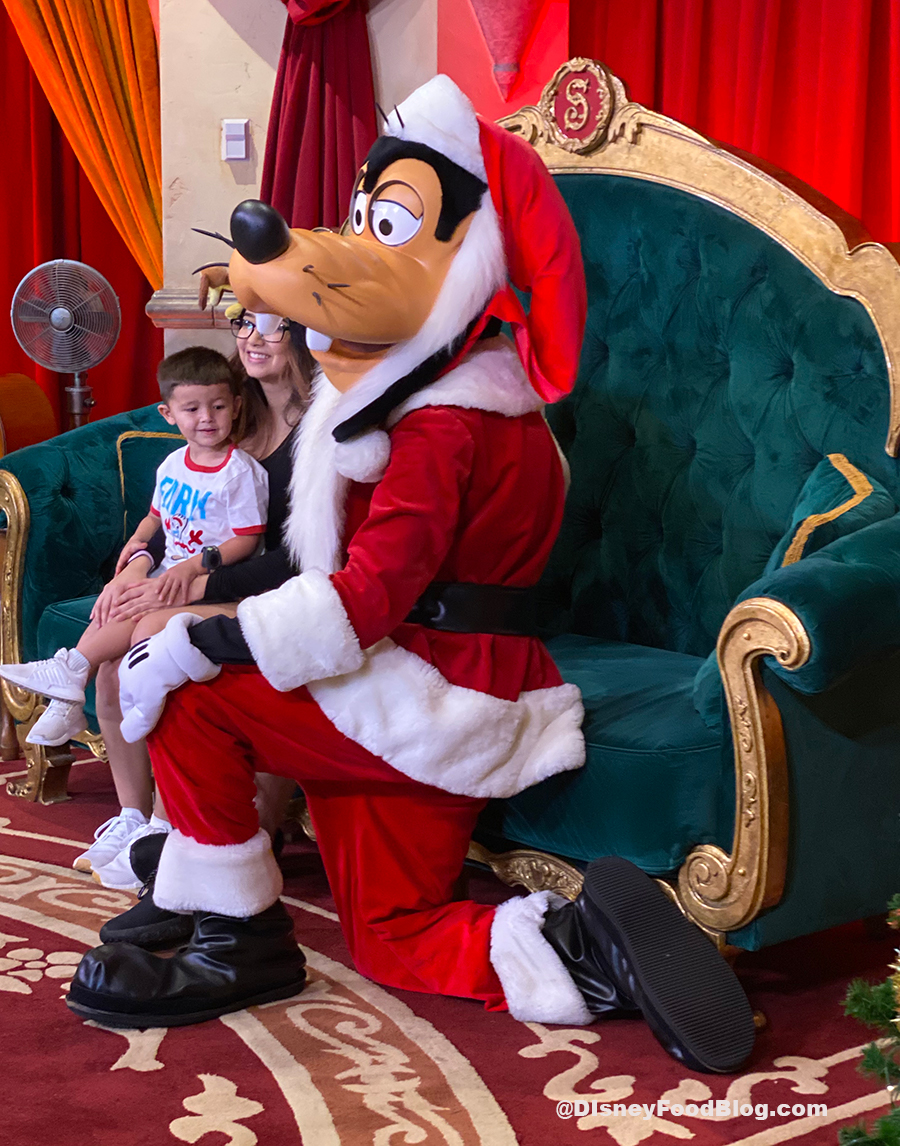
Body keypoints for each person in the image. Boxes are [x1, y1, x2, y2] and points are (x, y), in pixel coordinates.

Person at [68, 77, 756, 1073]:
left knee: (188, 691)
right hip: (439, 692)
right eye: (366, 219)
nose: (360, 243)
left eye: (388, 224)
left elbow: (367, 600)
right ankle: (589, 950)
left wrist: (201, 638)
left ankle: (237, 937)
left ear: (467, 257)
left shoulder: (446, 424)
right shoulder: (469, 404)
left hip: (426, 691)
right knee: (394, 934)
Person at [66, 310, 309, 900]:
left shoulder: (321, 429)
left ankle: (191, 829)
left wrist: (191, 586)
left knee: (154, 645)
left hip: (277, 596)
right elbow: (178, 515)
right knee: (113, 663)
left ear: (308, 332)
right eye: (244, 321)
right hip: (197, 581)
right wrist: (136, 566)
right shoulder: (224, 409)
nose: (253, 337)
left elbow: (298, 558)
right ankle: (135, 820)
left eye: (274, 325)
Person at [0, 346, 269, 876]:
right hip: (165, 574)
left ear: (236, 406)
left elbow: (246, 539)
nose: (207, 419)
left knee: (137, 638)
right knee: (114, 642)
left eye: (217, 406)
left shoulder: (240, 472)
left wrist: (194, 565)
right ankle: (130, 813)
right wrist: (138, 545)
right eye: (192, 409)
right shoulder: (173, 464)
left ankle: (69, 672)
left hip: (210, 586)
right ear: (168, 414)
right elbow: (156, 516)